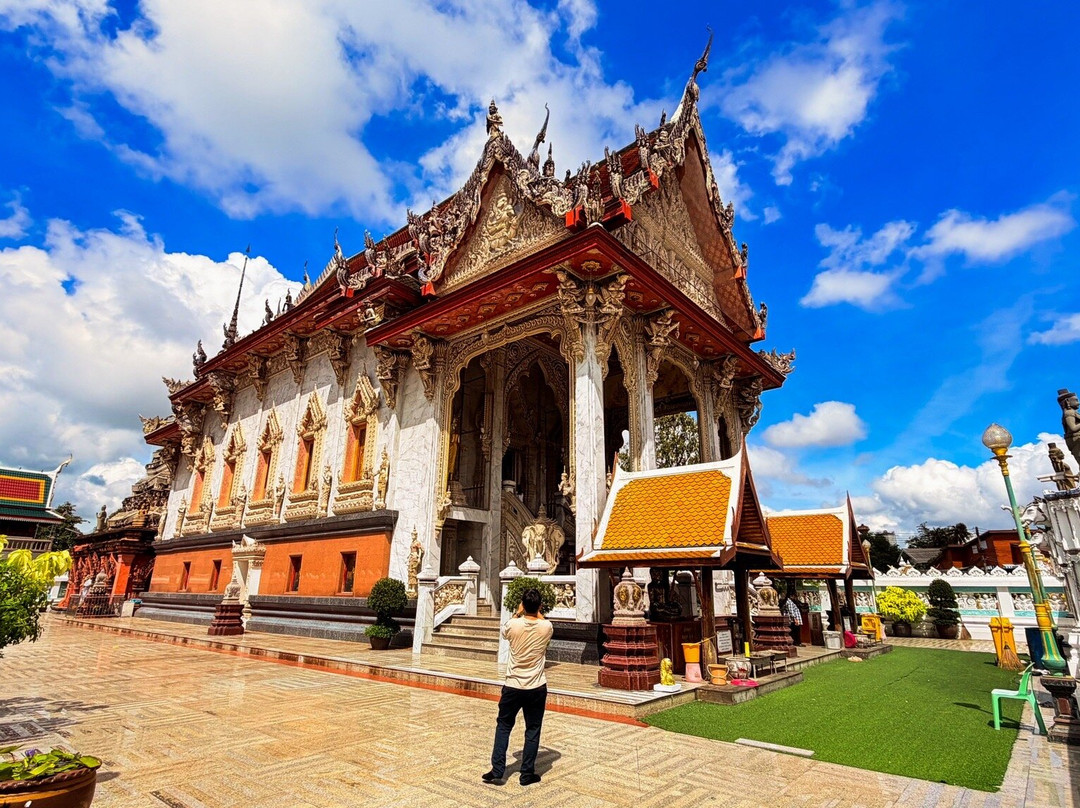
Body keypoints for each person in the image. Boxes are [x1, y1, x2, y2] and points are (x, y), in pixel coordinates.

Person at [483, 587, 554, 787]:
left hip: (513, 685)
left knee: (504, 727)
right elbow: (542, 620)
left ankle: (497, 770)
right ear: (540, 606)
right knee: (532, 729)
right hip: (536, 686)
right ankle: (526, 774)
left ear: (522, 605)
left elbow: (506, 629)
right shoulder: (546, 627)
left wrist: (518, 611)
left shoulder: (512, 625)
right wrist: (535, 610)